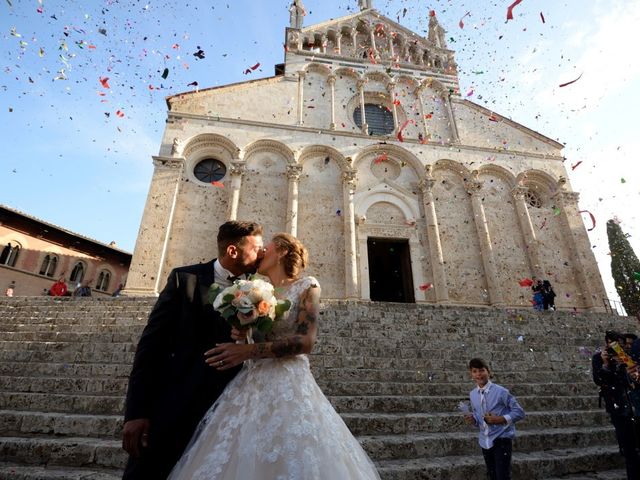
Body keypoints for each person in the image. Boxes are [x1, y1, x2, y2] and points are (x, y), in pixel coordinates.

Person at [168, 233, 380, 480]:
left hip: (287, 381)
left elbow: (305, 341)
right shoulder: (259, 290)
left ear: (280, 251)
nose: (260, 253)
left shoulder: (307, 286)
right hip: (251, 383)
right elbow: (257, 338)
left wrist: (246, 351)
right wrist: (243, 332)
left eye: (265, 249)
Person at [121, 221, 265, 480]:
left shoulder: (262, 289)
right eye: (257, 249)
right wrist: (136, 412)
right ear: (233, 251)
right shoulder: (184, 278)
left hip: (229, 407)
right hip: (177, 400)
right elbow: (151, 346)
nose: (262, 254)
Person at [464, 358, 525, 480]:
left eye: (482, 370)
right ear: (471, 374)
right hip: (485, 441)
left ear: (488, 371)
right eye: (475, 371)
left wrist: (501, 419)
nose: (479, 374)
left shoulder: (501, 392)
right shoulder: (472, 394)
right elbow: (479, 417)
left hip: (501, 439)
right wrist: (473, 419)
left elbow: (519, 412)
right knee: (492, 475)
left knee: (502, 476)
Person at [592, 331, 640, 479]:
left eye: (618, 344)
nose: (614, 347)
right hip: (618, 409)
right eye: (611, 343)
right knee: (629, 451)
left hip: (634, 407)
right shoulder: (598, 358)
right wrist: (606, 364)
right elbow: (599, 380)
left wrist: (627, 364)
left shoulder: (626, 357)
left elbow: (636, 379)